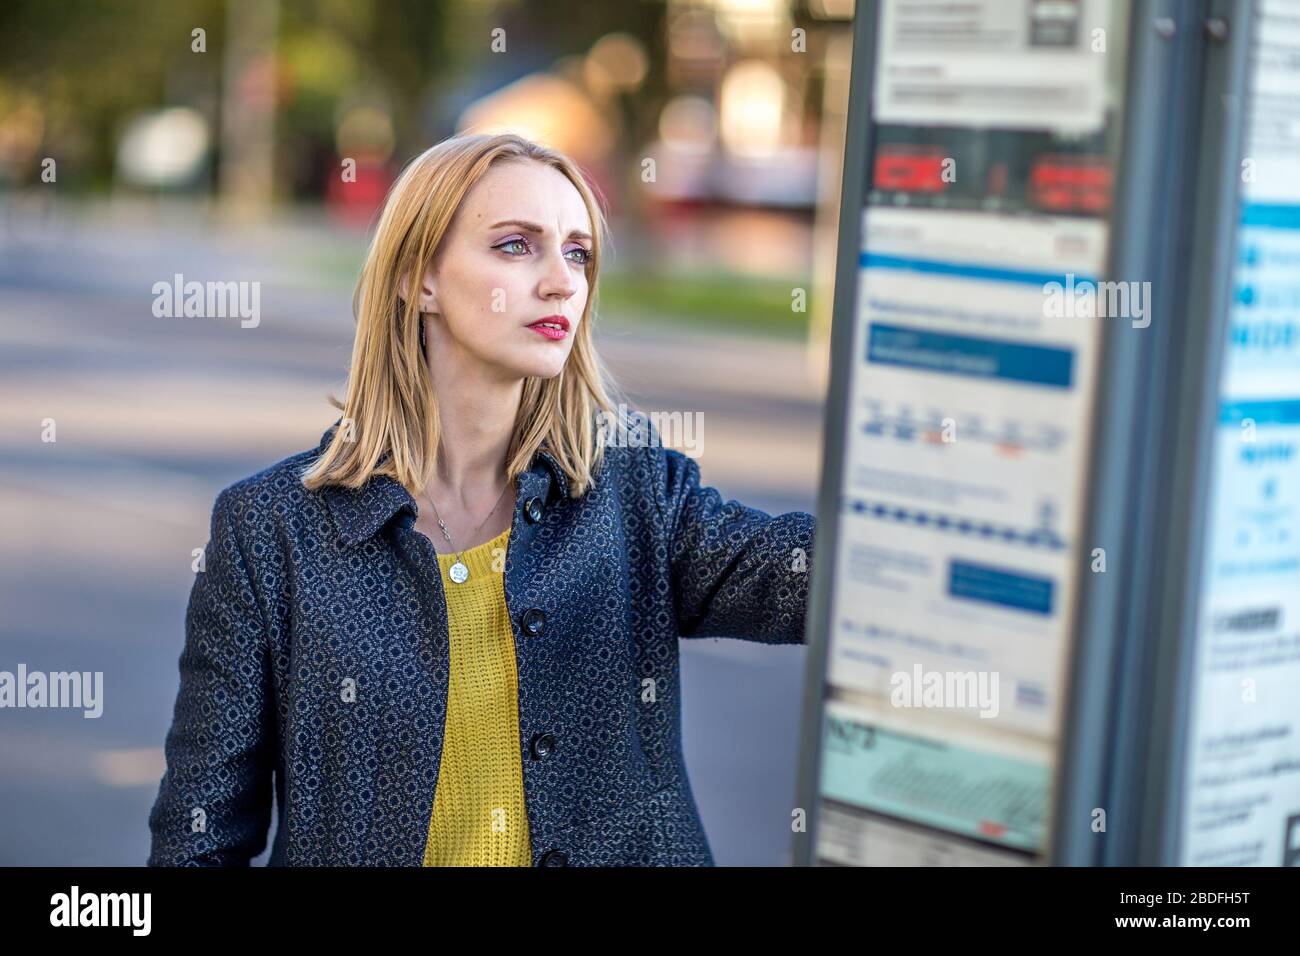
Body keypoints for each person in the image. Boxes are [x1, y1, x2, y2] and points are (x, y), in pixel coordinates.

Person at [146, 131, 816, 867]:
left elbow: (814, 579)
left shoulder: (633, 492)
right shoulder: (269, 530)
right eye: (515, 246)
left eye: (578, 252)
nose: (562, 281)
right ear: (417, 277)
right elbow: (199, 842)